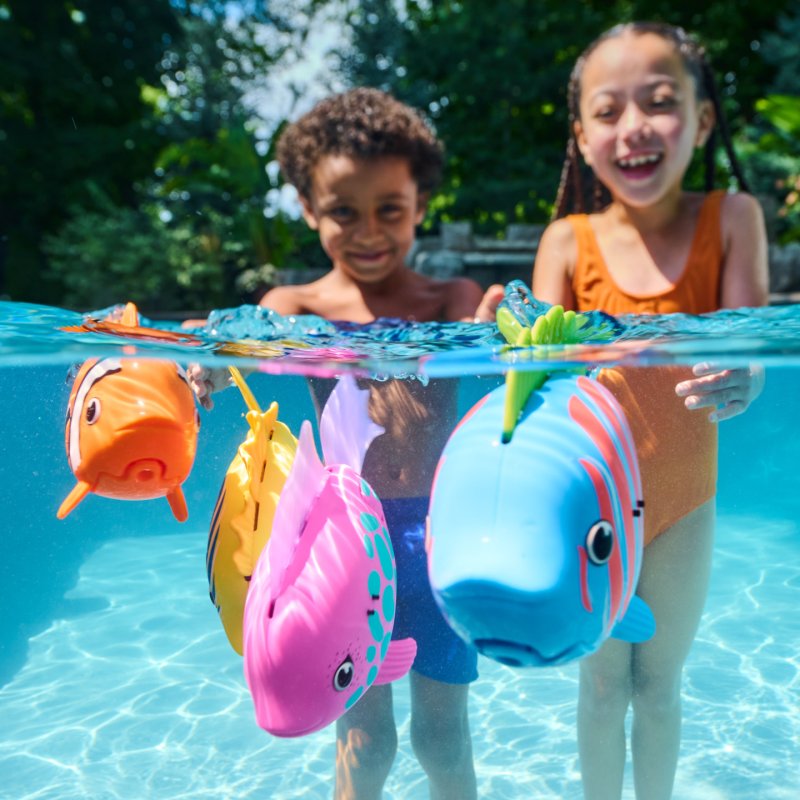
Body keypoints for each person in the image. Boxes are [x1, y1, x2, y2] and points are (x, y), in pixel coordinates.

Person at [190, 87, 500, 800]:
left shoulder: (450, 301)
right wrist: (205, 363)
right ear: (306, 207)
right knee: (363, 737)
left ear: (420, 201)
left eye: (389, 209)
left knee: (443, 734)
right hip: (342, 548)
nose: (369, 232)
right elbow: (229, 341)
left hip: (439, 535)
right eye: (342, 212)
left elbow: (505, 332)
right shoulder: (293, 309)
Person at [530, 22, 768, 800]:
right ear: (582, 137)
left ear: (701, 121)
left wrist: (747, 381)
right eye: (608, 111)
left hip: (685, 500)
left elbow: (749, 353)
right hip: (589, 503)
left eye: (660, 103)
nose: (633, 126)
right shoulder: (567, 242)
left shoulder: (733, 220)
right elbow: (529, 376)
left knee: (660, 685)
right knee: (602, 686)